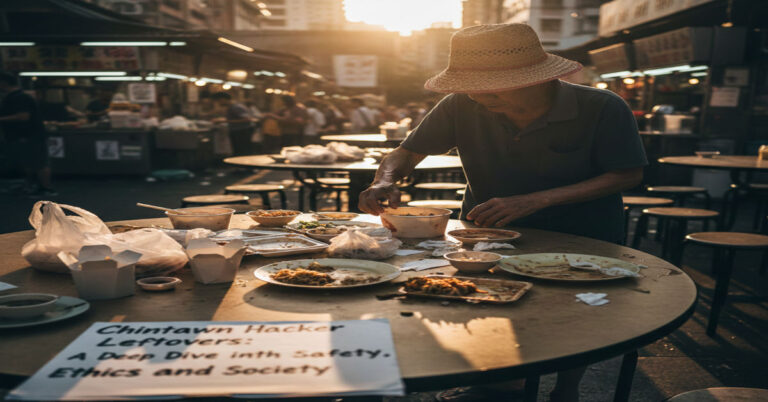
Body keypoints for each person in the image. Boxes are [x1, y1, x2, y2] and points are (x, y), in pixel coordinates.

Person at [358, 23, 647, 402]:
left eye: (490, 88)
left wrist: (538, 199)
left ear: (533, 80)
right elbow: (407, 152)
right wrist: (385, 178)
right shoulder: (462, 102)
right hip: (484, 231)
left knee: (576, 316)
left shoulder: (602, 106)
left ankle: (567, 389)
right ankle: (498, 383)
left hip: (583, 232)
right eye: (470, 87)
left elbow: (628, 173)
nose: (477, 96)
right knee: (488, 301)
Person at [0, 71, 56, 196]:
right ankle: (33, 185)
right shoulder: (13, 97)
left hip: (30, 135)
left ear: (3, 83)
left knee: (39, 162)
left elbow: (24, 116)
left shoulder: (19, 97)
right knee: (29, 162)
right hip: (22, 136)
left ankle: (46, 188)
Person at [210, 92, 257, 156]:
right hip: (239, 131)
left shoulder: (236, 107)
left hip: (241, 132)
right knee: (239, 151)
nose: (218, 103)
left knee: (241, 152)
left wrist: (225, 121)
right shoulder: (232, 106)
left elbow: (247, 119)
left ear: (223, 99)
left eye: (218, 101)